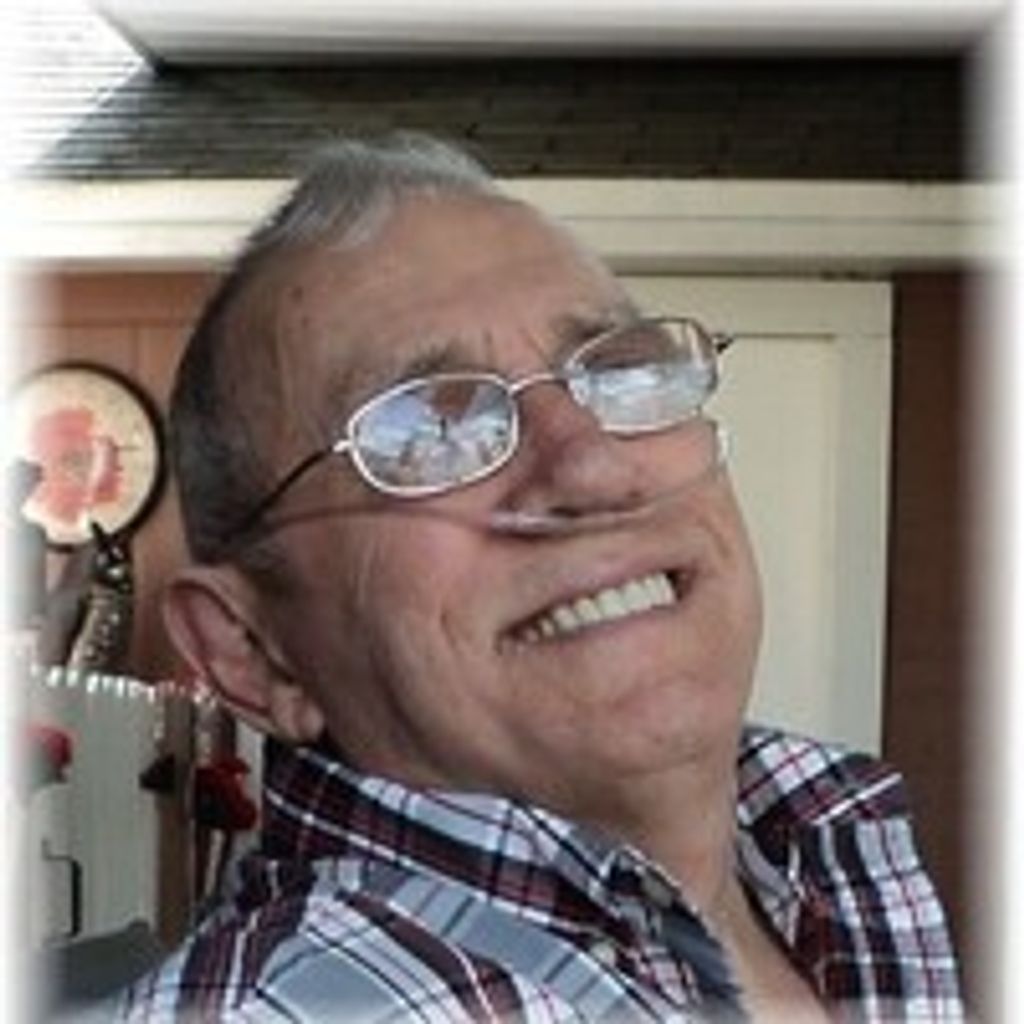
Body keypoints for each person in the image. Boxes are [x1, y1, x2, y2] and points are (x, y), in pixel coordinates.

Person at [119, 133, 962, 1022]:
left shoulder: (830, 851)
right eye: (429, 427)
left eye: (621, 369)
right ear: (253, 653)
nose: (592, 466)